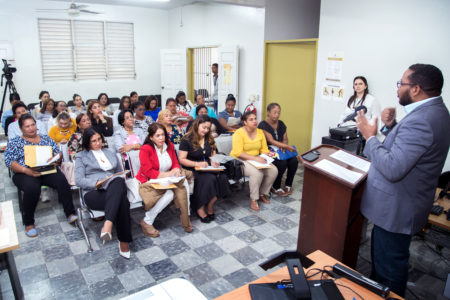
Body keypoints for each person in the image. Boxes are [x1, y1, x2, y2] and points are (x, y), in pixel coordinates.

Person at [355, 64, 450, 296]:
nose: (398, 89)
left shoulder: (422, 120)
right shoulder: (435, 112)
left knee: (389, 271)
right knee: (383, 263)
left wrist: (370, 137)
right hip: (399, 207)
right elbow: (411, 153)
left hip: (396, 210)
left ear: (416, 89)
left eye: (401, 84)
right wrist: (391, 127)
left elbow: (393, 167)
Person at [5, 114, 78, 237]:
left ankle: (70, 213)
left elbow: (58, 153)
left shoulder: (45, 139)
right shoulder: (15, 142)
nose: (31, 128)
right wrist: (25, 170)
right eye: (27, 126)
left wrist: (56, 158)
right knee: (32, 188)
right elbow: (9, 162)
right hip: (25, 172)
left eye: (33, 125)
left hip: (47, 168)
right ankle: (29, 223)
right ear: (21, 128)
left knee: (61, 180)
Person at [75, 128, 132, 259]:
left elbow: (119, 172)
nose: (97, 143)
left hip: (113, 188)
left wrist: (122, 175)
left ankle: (108, 223)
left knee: (117, 182)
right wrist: (96, 182)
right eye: (93, 141)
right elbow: (78, 180)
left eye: (99, 139)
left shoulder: (110, 152)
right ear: (87, 143)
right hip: (93, 192)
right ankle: (123, 241)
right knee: (121, 200)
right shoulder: (81, 156)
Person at [136, 123, 192, 237]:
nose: (161, 138)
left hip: (167, 179)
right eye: (158, 135)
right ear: (151, 137)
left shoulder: (169, 145)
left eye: (163, 135)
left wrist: (176, 169)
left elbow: (175, 162)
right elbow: (148, 172)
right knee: (170, 194)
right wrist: (168, 174)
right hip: (150, 180)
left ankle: (186, 215)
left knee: (184, 181)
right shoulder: (145, 149)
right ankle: (147, 221)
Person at [230, 111, 278, 211]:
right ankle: (254, 199)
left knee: (274, 170)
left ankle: (262, 193)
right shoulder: (238, 133)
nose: (255, 121)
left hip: (256, 159)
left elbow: (264, 149)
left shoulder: (260, 132)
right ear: (245, 122)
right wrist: (256, 159)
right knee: (257, 173)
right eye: (251, 119)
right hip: (240, 161)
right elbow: (239, 153)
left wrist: (264, 156)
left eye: (255, 118)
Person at [179, 115, 221, 223]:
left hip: (206, 167)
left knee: (223, 177)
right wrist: (197, 164)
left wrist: (214, 162)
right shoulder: (186, 139)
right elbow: (182, 159)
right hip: (192, 168)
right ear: (197, 125)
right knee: (209, 179)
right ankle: (199, 208)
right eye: (204, 127)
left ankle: (210, 204)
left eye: (208, 128)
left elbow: (213, 155)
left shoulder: (209, 138)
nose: (206, 130)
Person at [258, 103, 298, 196]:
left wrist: (284, 146)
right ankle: (275, 187)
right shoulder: (263, 125)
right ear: (268, 112)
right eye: (274, 112)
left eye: (278, 113)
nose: (277, 115)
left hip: (280, 150)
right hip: (268, 151)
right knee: (282, 163)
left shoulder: (281, 123)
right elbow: (271, 141)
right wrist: (286, 147)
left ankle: (288, 184)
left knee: (294, 161)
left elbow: (285, 138)